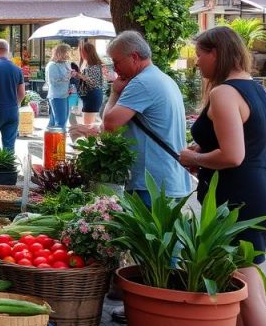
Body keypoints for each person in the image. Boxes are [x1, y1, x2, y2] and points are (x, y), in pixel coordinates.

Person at [178, 27, 266, 326]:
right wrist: (206, 151)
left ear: (215, 53)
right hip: (261, 191)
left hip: (235, 200)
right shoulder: (257, 89)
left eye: (199, 55)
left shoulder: (223, 92)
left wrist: (195, 159)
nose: (197, 62)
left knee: (247, 294)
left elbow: (233, 156)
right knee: (241, 286)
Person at [80, 31, 191, 202]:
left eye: (116, 62)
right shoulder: (162, 78)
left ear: (134, 57)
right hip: (168, 179)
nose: (115, 68)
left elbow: (109, 125)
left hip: (151, 184)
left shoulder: (142, 82)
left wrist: (115, 92)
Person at [73, 42, 106, 124]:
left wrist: (80, 76)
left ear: (87, 52)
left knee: (88, 125)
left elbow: (93, 83)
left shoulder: (94, 66)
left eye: (82, 52)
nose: (81, 54)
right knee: (88, 124)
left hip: (92, 95)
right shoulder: (89, 64)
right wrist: (78, 76)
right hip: (90, 95)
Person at [45, 44, 72, 130]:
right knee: (61, 122)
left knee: (56, 121)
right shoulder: (52, 65)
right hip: (57, 96)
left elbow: (69, 74)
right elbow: (53, 82)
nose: (68, 55)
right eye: (66, 52)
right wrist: (68, 77)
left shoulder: (65, 63)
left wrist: (72, 73)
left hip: (65, 95)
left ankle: (50, 141)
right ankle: (59, 142)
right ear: (60, 53)